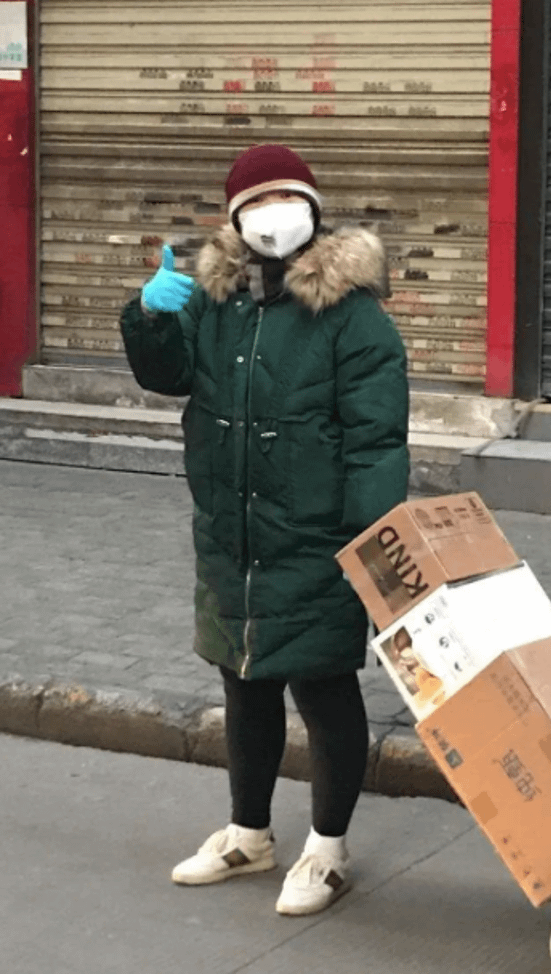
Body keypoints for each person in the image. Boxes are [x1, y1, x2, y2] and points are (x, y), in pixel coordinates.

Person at [119, 143, 409, 916]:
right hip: (232, 534)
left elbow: (377, 441)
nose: (271, 216)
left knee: (322, 686)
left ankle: (327, 850)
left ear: (314, 212)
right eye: (255, 203)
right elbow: (166, 374)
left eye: (286, 199)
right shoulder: (217, 303)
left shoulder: (352, 314)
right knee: (244, 682)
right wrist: (150, 315)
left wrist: (368, 548)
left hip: (317, 539)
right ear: (234, 218)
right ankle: (250, 834)